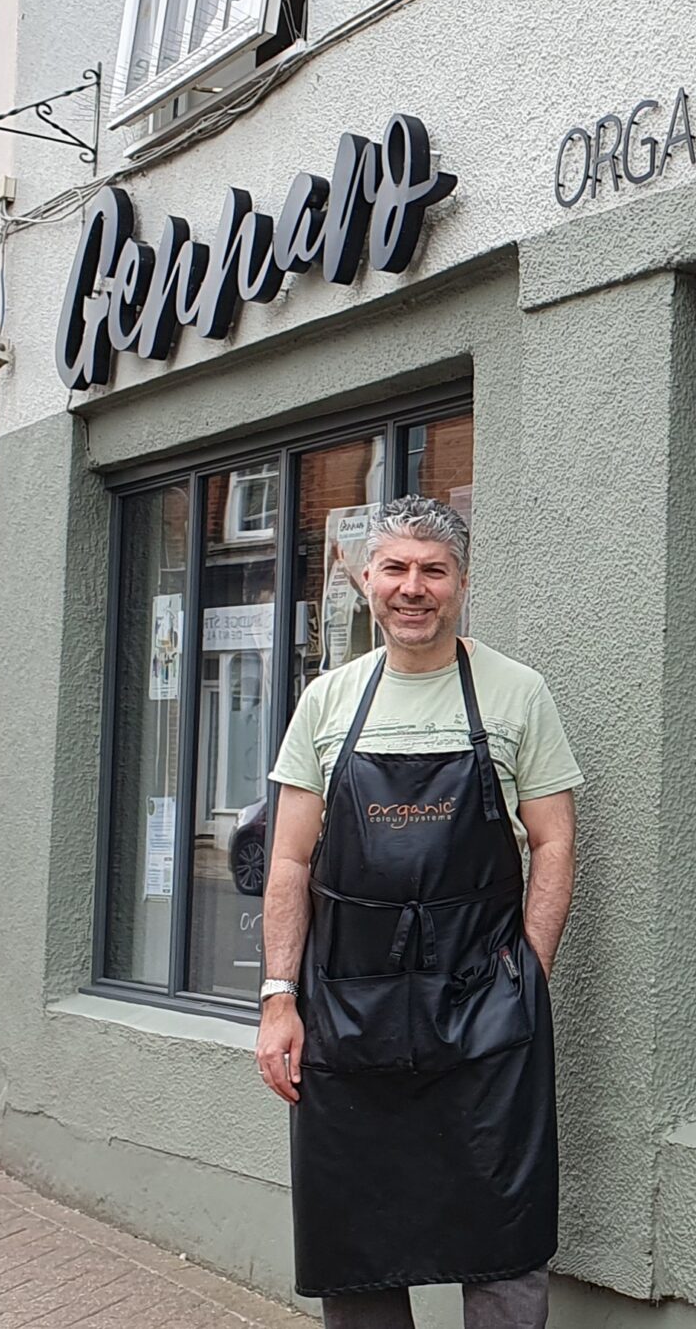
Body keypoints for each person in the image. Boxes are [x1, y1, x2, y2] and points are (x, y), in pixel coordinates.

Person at [253, 495, 582, 1329]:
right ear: (365, 578)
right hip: (347, 1012)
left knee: (502, 1239)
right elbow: (289, 861)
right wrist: (278, 997)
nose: (413, 588)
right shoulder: (328, 703)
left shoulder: (517, 695)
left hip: (485, 1011)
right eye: (395, 568)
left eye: (433, 571)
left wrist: (527, 975)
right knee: (356, 1246)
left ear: (462, 583)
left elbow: (554, 843)